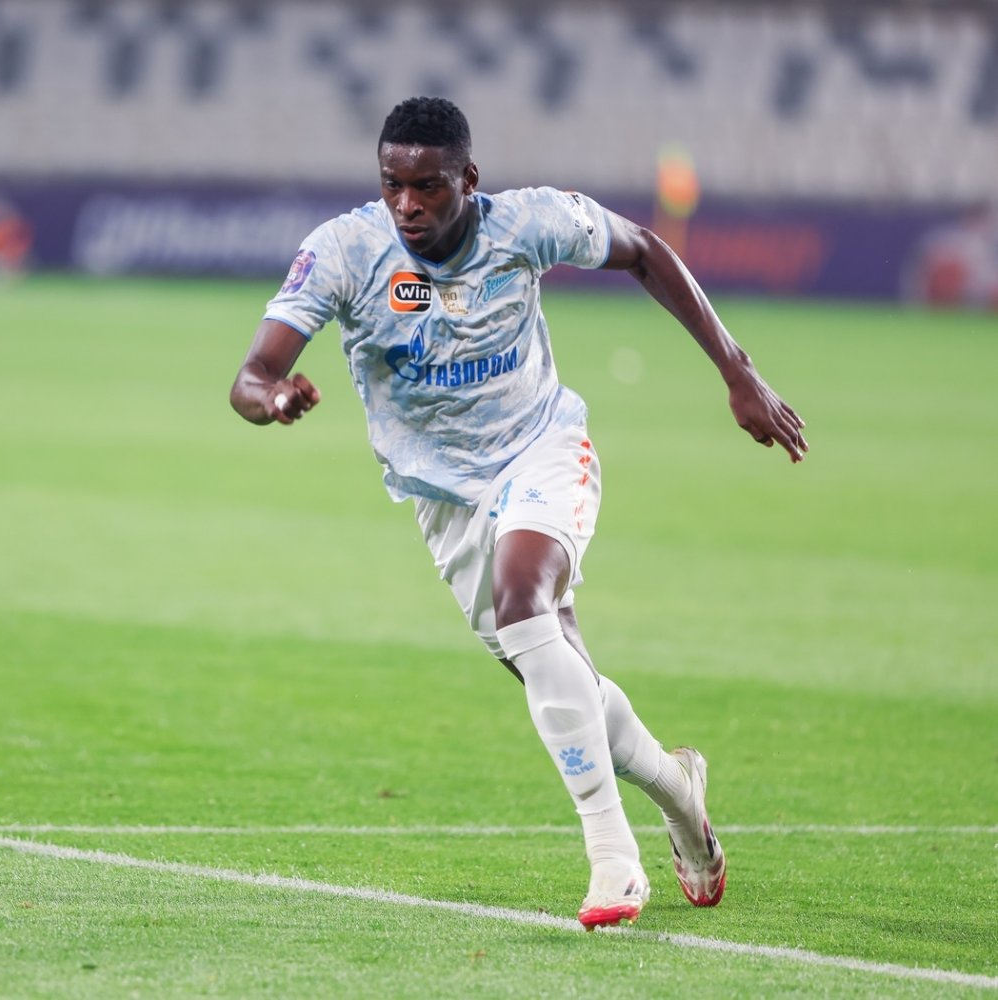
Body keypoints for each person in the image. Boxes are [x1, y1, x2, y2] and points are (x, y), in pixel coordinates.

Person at [229, 97, 807, 929]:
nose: (407, 205)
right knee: (555, 672)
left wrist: (738, 370)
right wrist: (275, 397)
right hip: (442, 499)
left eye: (427, 186)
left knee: (523, 599)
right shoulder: (344, 251)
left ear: (468, 178)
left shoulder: (529, 222)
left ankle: (612, 856)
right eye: (392, 185)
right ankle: (679, 789)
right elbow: (249, 377)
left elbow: (645, 250)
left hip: (542, 450)